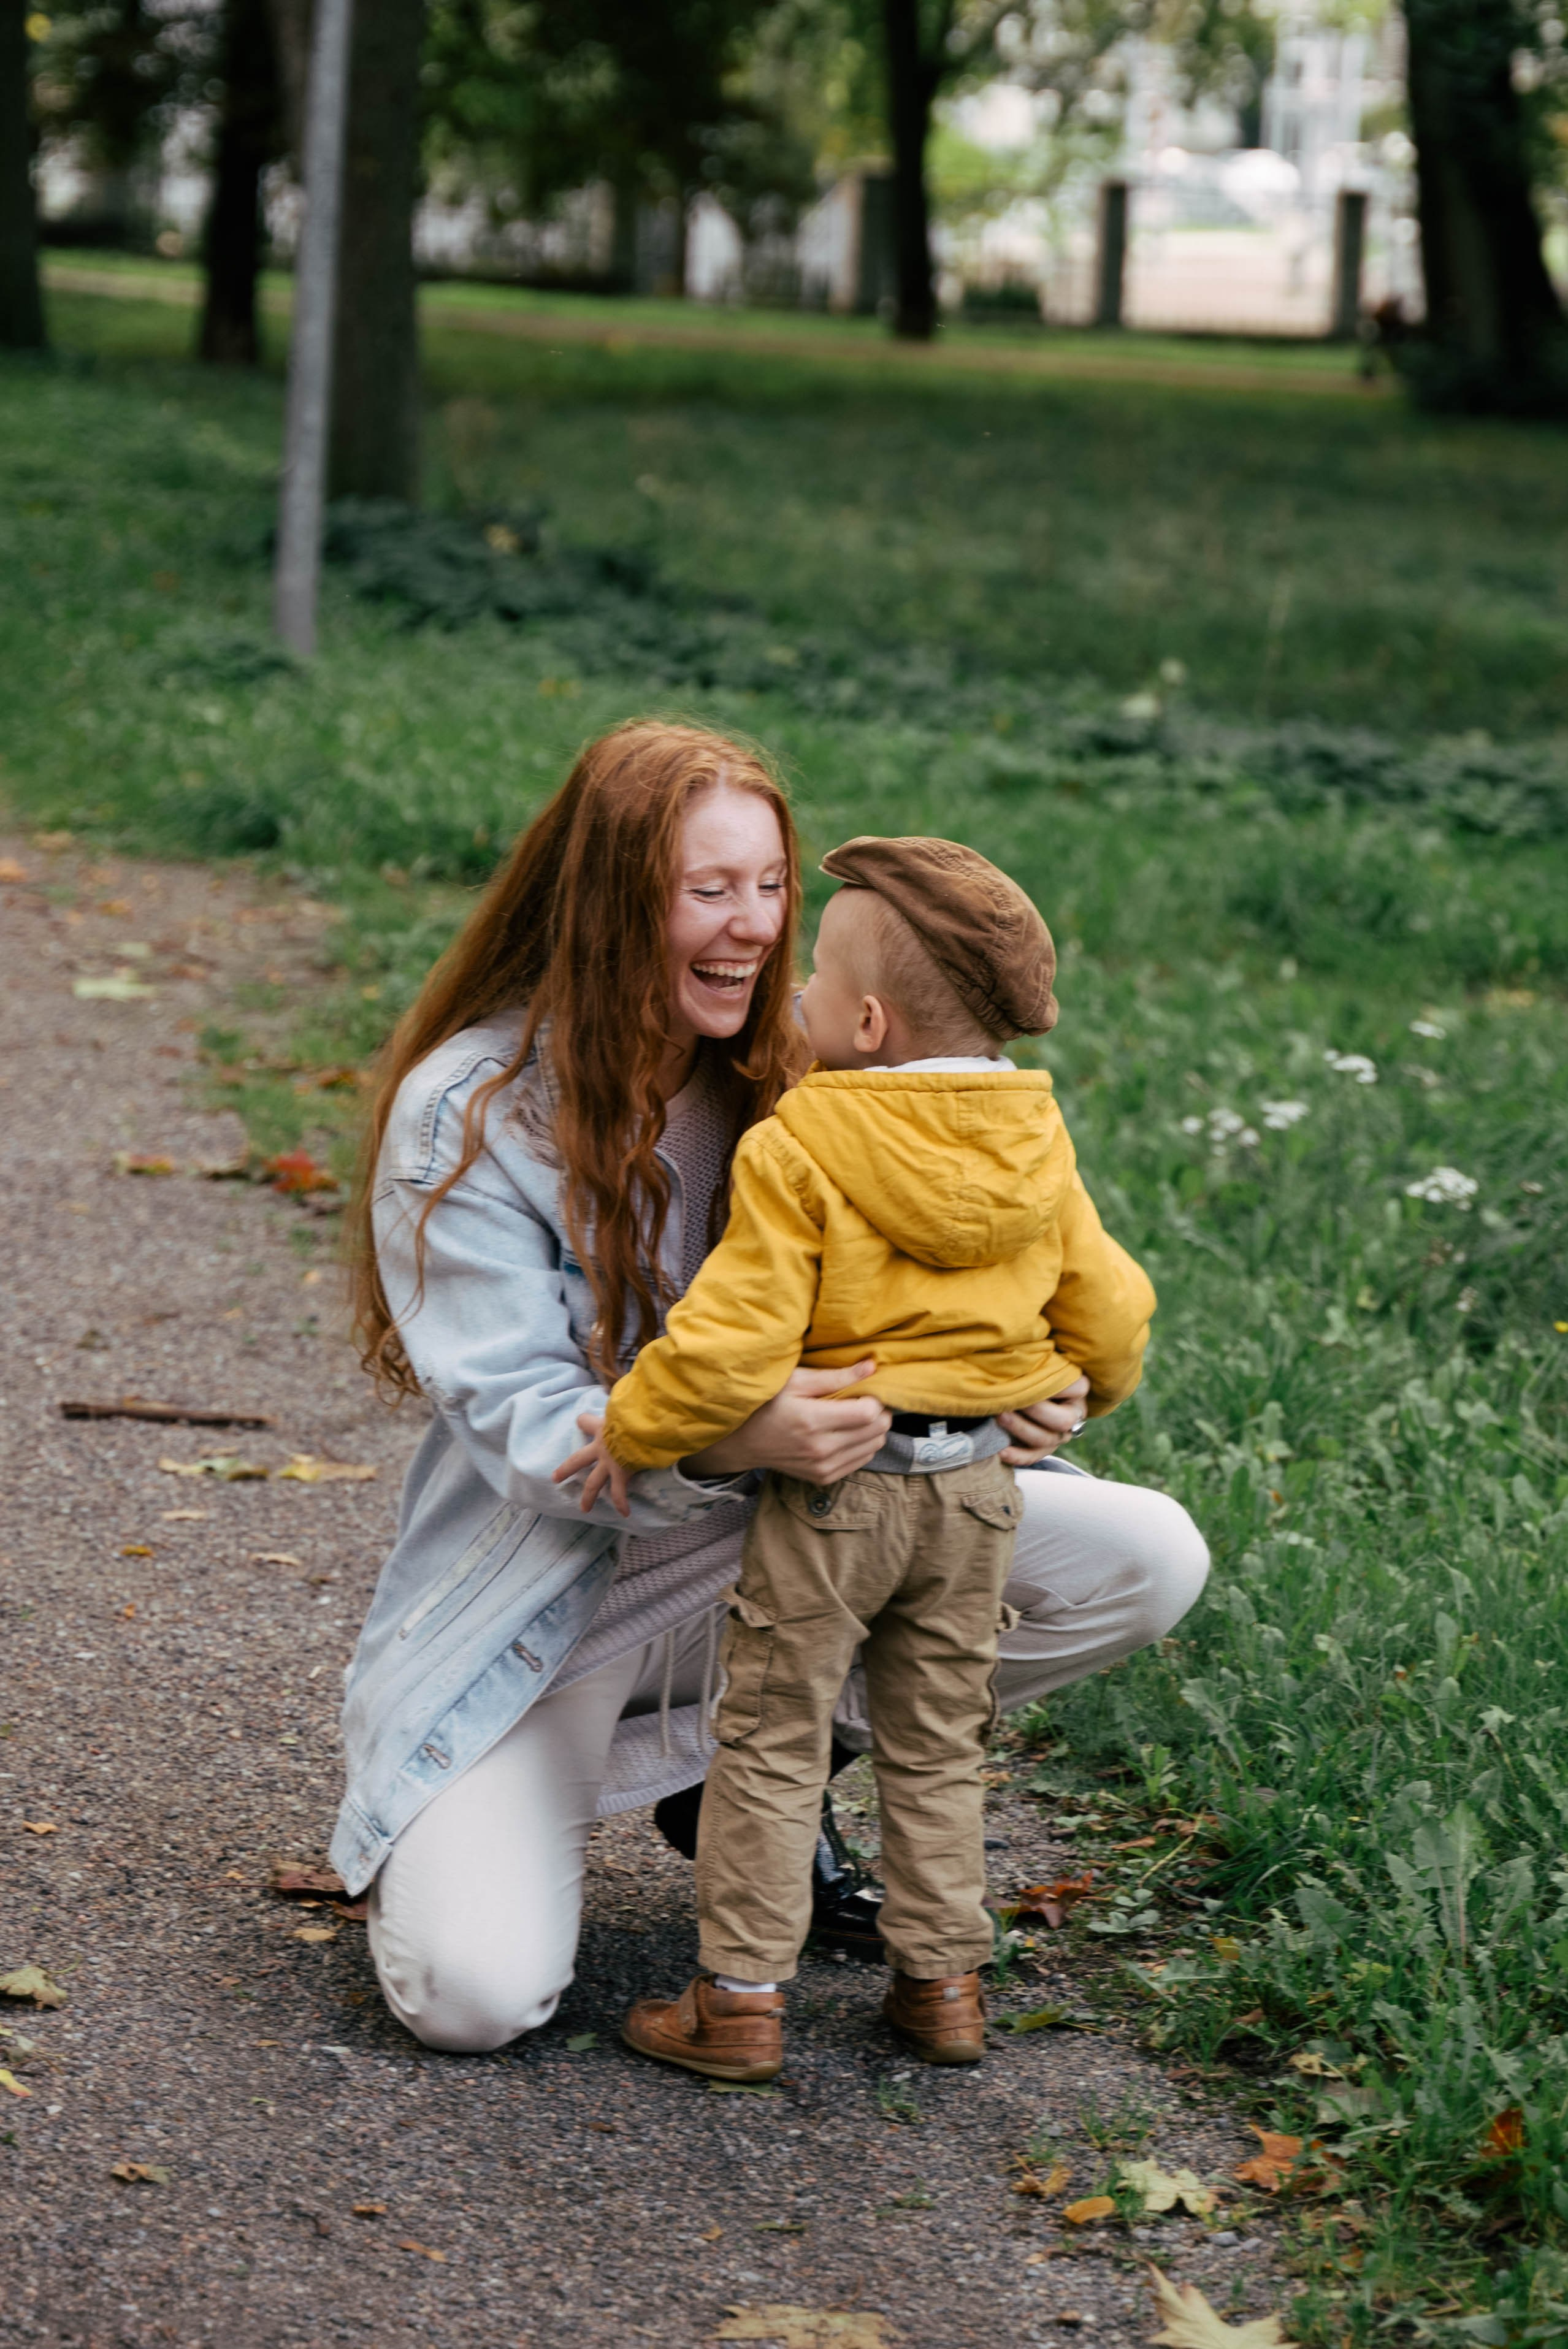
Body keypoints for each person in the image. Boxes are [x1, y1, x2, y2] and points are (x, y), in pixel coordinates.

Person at [335, 717, 1210, 2056]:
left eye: (769, 887)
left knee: (1144, 1554)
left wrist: (1028, 1394)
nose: (750, 928)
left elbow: (986, 1292)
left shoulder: (816, 1074)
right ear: (616, 902)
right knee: (471, 1997)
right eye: (707, 890)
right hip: (560, 1614)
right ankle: (576, 1794)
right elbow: (522, 1428)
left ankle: (759, 1771)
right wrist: (742, 1433)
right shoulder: (471, 1113)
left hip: (807, 1562)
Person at [559, 836, 1155, 2082]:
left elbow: (731, 1343)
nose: (795, 1005)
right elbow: (1109, 1310)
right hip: (977, 1496)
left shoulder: (805, 1142)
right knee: (936, 1742)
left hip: (838, 1500)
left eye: (815, 987)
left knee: (772, 1740)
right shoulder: (1035, 1143)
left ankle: (738, 2003)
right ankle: (940, 1985)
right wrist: (1075, 1387)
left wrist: (634, 1423)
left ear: (869, 1022)